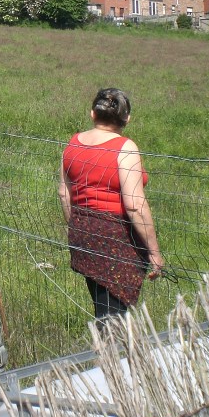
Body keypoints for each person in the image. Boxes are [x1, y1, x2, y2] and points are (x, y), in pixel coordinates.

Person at [59, 88, 164, 323]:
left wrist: (78, 227)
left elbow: (64, 194)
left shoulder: (73, 143)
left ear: (93, 114)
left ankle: (109, 354)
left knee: (102, 307)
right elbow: (136, 206)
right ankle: (112, 357)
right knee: (113, 317)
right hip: (116, 240)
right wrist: (155, 252)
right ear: (126, 119)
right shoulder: (126, 149)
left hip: (83, 233)